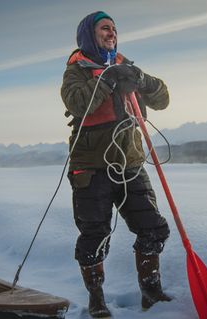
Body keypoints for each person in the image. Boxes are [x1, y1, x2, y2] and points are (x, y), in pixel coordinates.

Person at [61, 11, 171, 318]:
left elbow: (162, 99)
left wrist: (143, 80)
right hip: (91, 167)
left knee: (153, 228)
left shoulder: (125, 67)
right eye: (104, 28)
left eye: (113, 28)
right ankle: (97, 299)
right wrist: (106, 81)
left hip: (131, 162)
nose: (111, 32)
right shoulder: (76, 71)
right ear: (88, 35)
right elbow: (77, 103)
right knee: (94, 236)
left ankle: (151, 292)